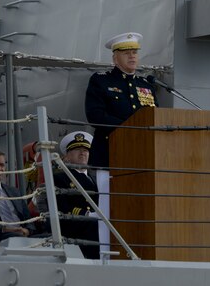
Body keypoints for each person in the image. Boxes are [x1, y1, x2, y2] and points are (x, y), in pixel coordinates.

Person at [84, 32, 157, 255]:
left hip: (140, 160)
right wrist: (129, 128)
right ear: (115, 58)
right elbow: (95, 115)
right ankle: (106, 255)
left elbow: (154, 118)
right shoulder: (101, 81)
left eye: (135, 52)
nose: (132, 57)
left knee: (138, 210)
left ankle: (137, 253)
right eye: (127, 53)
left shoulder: (146, 85)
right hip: (110, 157)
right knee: (108, 210)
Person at [53, 131, 100, 259]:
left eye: (86, 150)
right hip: (76, 228)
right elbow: (62, 209)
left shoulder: (96, 179)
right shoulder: (60, 178)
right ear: (67, 157)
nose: (83, 153)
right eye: (77, 149)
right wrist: (88, 215)